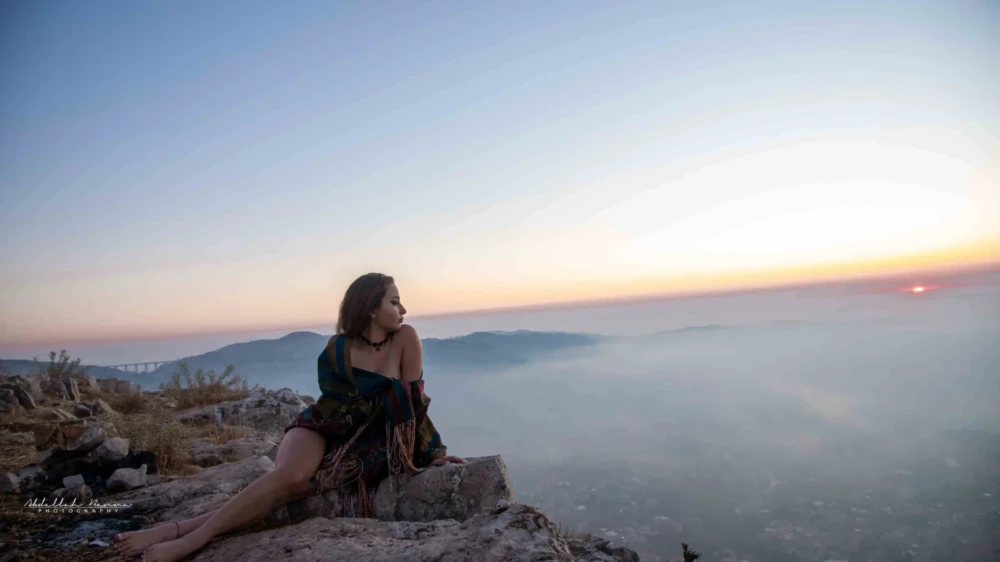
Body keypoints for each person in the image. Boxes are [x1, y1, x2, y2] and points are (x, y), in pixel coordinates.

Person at [112, 273, 466, 562]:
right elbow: (332, 404)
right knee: (291, 475)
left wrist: (432, 453)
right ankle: (191, 541)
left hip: (367, 439)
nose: (403, 308)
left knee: (293, 488)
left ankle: (176, 531)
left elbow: (412, 405)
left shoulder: (406, 338)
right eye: (394, 300)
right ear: (371, 308)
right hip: (325, 424)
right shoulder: (338, 349)